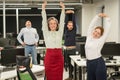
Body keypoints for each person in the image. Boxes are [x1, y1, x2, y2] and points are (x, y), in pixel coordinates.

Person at [41, 0, 65, 80]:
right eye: (51, 23)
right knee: (49, 77)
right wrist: (43, 9)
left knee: (59, 77)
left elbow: (62, 21)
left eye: (54, 23)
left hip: (59, 57)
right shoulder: (46, 32)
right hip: (49, 57)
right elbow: (44, 21)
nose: (53, 25)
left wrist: (63, 9)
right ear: (48, 25)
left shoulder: (60, 32)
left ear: (57, 25)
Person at [85, 13, 111, 80]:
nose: (96, 33)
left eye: (98, 33)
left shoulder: (101, 40)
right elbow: (91, 25)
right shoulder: (89, 37)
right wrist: (97, 16)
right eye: (95, 31)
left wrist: (107, 18)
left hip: (98, 63)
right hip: (89, 63)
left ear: (100, 35)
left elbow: (107, 30)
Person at [64, 10, 76, 80]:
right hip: (66, 50)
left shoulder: (74, 30)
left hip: (73, 50)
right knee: (68, 64)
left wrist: (73, 14)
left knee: (73, 64)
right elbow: (66, 22)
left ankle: (74, 76)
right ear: (67, 26)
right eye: (69, 25)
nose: (70, 26)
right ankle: (70, 76)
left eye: (71, 25)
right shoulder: (66, 30)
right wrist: (66, 14)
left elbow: (74, 22)